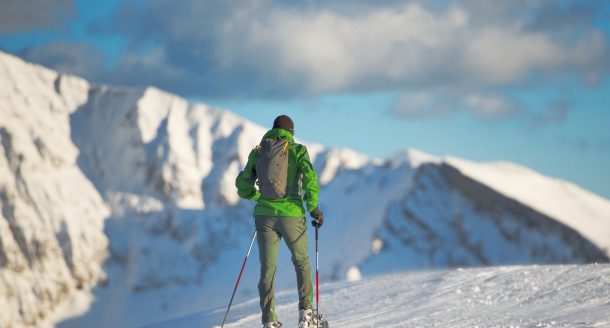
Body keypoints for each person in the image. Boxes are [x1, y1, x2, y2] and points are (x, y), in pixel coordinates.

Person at [236, 115, 324, 328]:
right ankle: (306, 316)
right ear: (291, 132)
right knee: (301, 262)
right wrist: (313, 208)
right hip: (292, 215)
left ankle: (269, 321)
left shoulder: (258, 152)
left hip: (264, 216)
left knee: (267, 268)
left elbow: (243, 184)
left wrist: (259, 198)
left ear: (273, 129)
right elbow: (310, 179)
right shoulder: (297, 150)